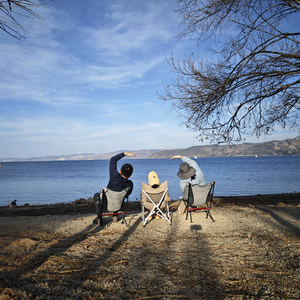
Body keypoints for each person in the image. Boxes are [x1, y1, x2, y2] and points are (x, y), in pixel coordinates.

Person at [94, 152, 136, 223]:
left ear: (120, 171)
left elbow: (113, 160)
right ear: (130, 175)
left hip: (105, 204)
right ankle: (115, 215)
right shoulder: (130, 184)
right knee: (120, 195)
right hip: (118, 205)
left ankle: (99, 218)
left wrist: (124, 154)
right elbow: (126, 196)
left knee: (96, 195)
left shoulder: (114, 175)